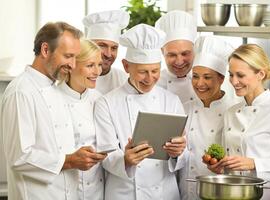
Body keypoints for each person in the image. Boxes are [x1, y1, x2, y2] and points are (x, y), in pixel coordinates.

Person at [0, 22, 105, 200]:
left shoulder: (55, 89)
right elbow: (19, 157)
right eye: (68, 56)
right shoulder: (21, 91)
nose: (72, 65)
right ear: (46, 50)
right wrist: (69, 160)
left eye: (75, 58)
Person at [94, 24, 187, 200]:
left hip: (165, 193)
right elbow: (105, 154)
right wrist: (126, 160)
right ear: (126, 66)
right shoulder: (106, 103)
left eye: (155, 71)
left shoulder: (171, 100)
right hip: (124, 193)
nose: (150, 79)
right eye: (143, 72)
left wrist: (179, 152)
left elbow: (184, 151)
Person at [209, 44, 270, 199]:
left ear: (261, 74)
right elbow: (230, 162)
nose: (234, 81)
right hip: (231, 194)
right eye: (231, 75)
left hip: (266, 195)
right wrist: (221, 167)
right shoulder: (230, 113)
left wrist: (255, 164)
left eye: (240, 75)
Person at [179, 36, 237, 200]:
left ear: (221, 79)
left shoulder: (233, 111)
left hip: (218, 192)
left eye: (207, 77)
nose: (199, 83)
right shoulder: (184, 108)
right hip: (184, 191)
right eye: (195, 76)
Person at [58, 39, 106, 200]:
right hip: (62, 187)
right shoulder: (52, 99)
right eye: (90, 65)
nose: (97, 71)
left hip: (96, 189)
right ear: (71, 65)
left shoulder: (99, 100)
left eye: (99, 64)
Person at [83, 10, 130, 94]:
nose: (108, 54)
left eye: (114, 48)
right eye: (102, 45)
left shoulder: (124, 79)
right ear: (89, 46)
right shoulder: (75, 77)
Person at [155, 10, 197, 103]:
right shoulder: (153, 83)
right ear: (162, 51)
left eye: (185, 53)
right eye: (172, 55)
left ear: (195, 50)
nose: (179, 61)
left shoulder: (207, 83)